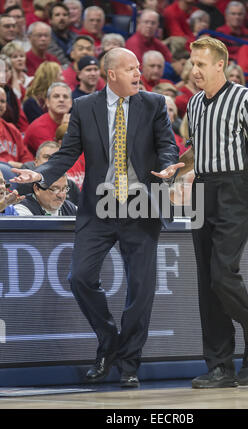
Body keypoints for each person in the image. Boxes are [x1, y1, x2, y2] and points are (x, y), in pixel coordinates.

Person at [10, 47, 182, 388]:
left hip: (141, 206)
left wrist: (166, 168)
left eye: (138, 68)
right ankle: (109, 341)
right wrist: (39, 174)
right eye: (131, 68)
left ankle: (129, 362)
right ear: (112, 74)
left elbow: (168, 146)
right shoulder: (85, 106)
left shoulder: (154, 104)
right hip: (98, 208)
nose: (138, 74)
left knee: (141, 289)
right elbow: (69, 152)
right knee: (80, 278)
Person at [177, 36, 248, 389]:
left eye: (200, 64)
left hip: (235, 190)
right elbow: (198, 153)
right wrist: (177, 170)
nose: (193, 70)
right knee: (206, 285)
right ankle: (220, 367)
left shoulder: (247, 99)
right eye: (191, 63)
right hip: (201, 190)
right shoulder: (194, 104)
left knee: (223, 274)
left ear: (219, 66)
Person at [23, 82, 72, 157]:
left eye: (65, 97)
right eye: (56, 96)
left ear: (71, 103)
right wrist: (64, 129)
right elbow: (55, 157)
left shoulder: (75, 122)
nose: (61, 100)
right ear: (47, 102)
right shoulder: (39, 127)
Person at [0, 86, 31, 168]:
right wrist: (7, 164)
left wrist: (25, 166)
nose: (0, 104)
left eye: (2, 101)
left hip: (15, 175)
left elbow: (26, 156)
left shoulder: (12, 129)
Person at [47, 2, 77, 67]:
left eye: (65, 15)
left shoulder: (75, 37)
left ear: (69, 18)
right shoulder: (48, 38)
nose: (62, 18)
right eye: (57, 15)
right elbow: (61, 60)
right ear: (50, 20)